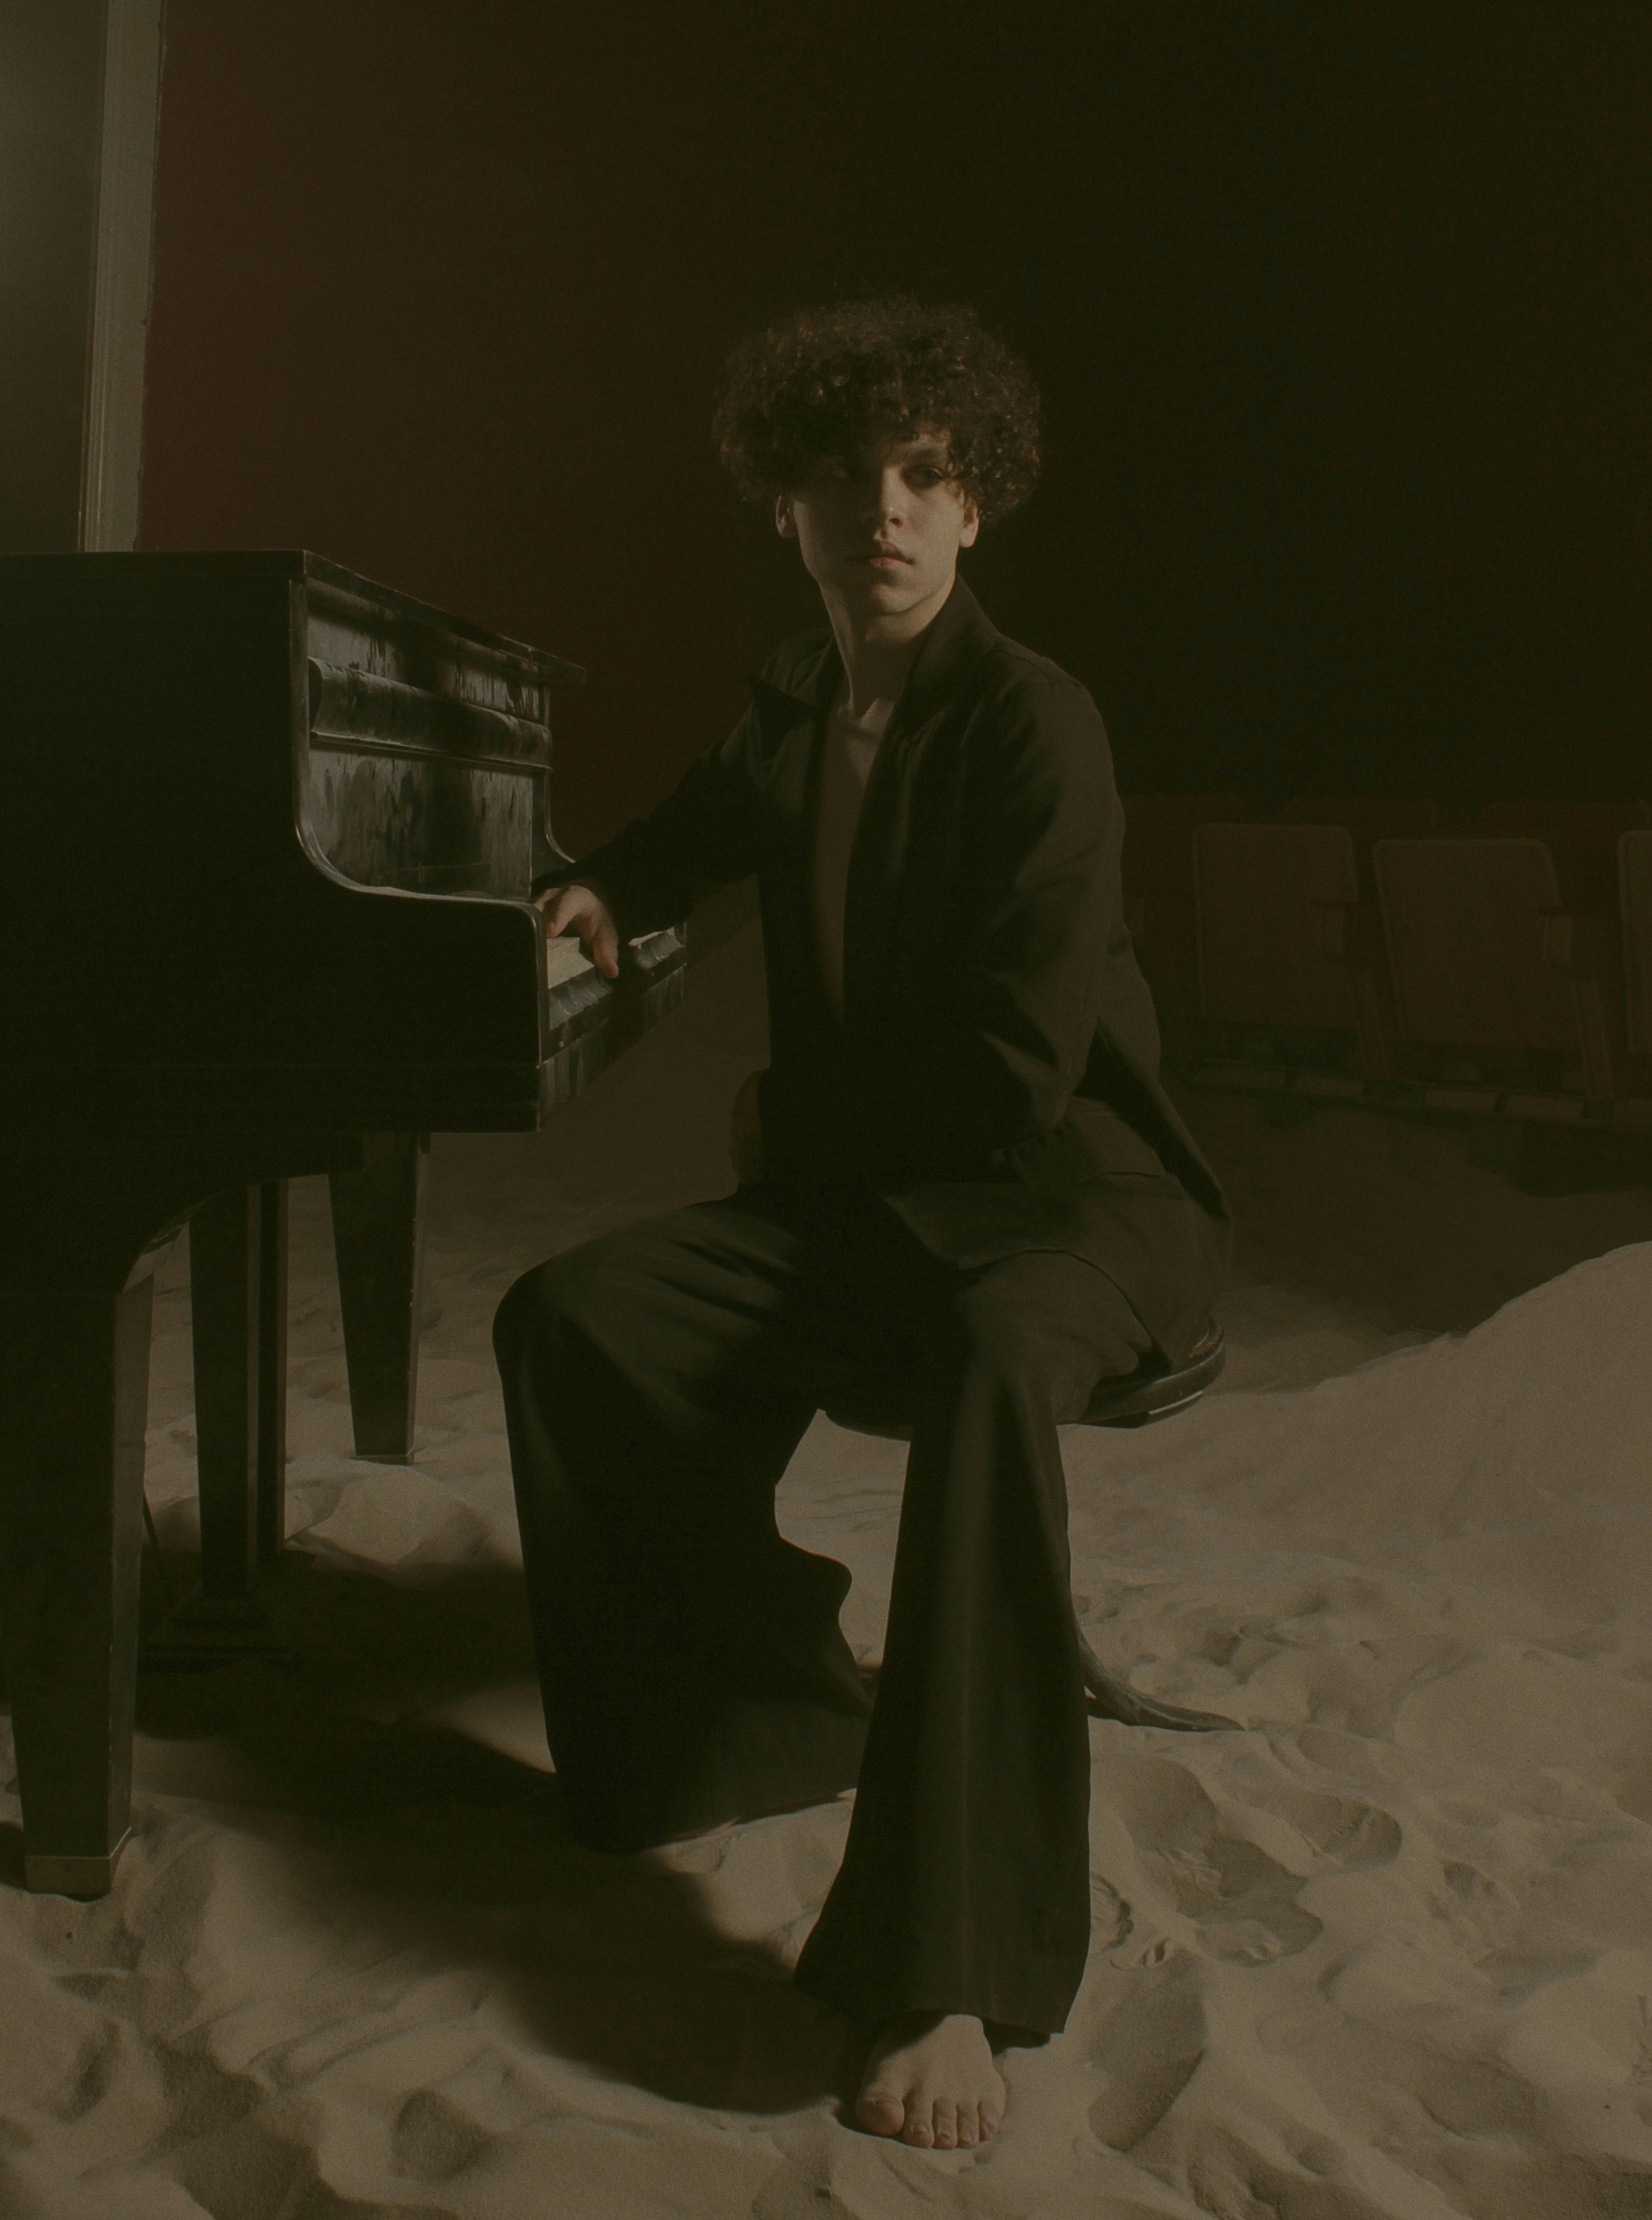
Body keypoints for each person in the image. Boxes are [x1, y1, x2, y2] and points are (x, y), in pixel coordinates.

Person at [492, 297, 1231, 2148]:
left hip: (1076, 1209)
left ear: (977, 511)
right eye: (846, 475)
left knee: (987, 1369)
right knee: (576, 1316)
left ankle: (950, 1965)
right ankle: (761, 1718)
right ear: (786, 510)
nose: (884, 510)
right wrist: (601, 891)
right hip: (869, 1202)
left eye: (925, 474)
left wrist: (780, 1120)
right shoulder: (798, 699)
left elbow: (1009, 1071)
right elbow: (693, 827)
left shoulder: (1033, 719)